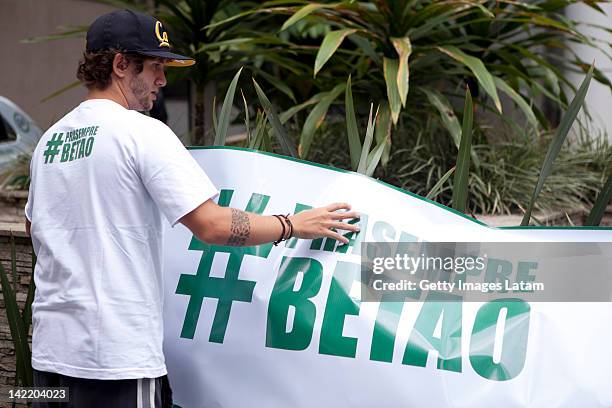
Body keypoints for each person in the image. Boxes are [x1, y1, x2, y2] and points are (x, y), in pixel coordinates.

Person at [24, 9, 359, 408]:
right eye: (154, 67)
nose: (163, 80)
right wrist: (293, 224)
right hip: (116, 363)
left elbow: (35, 228)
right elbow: (212, 225)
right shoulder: (141, 133)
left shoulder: (50, 141)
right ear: (119, 65)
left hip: (49, 359)